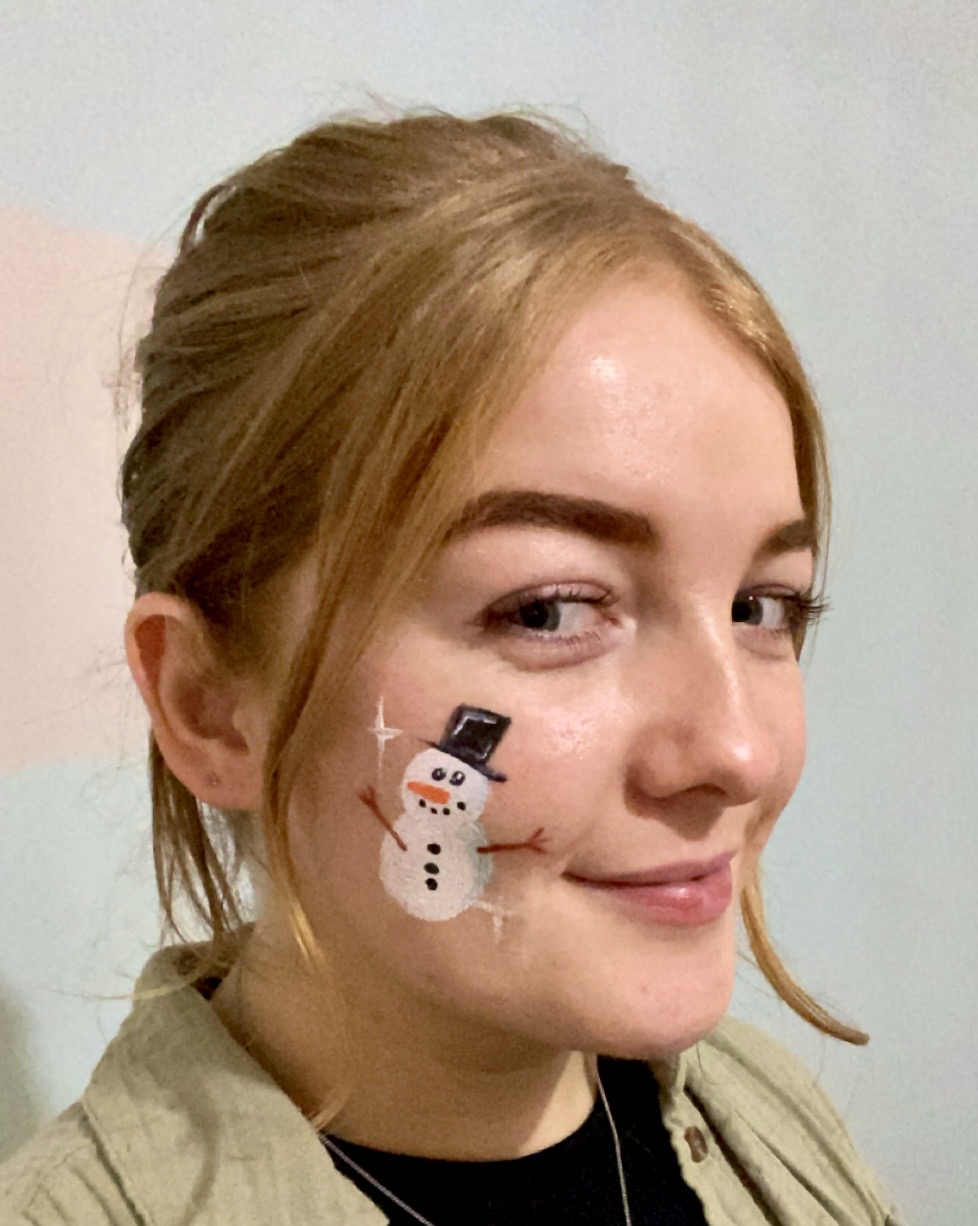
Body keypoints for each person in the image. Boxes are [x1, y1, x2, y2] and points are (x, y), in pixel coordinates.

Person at [0, 111, 901, 1225]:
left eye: (763, 607)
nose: (740, 751)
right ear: (210, 705)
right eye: (549, 609)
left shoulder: (771, 1119)